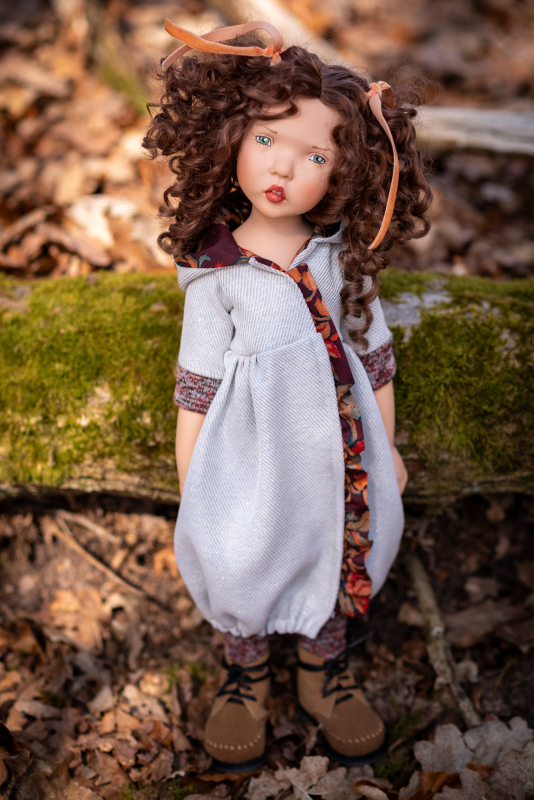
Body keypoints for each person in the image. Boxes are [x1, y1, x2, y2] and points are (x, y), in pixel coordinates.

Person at [143, 20, 432, 772]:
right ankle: (245, 677)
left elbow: (374, 359)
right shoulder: (217, 273)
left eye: (314, 156)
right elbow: (197, 385)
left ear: (342, 174)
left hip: (340, 455)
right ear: (231, 138)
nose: (282, 167)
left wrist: (389, 448)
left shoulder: (341, 260)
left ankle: (322, 671)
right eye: (267, 139)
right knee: (240, 554)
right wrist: (192, 477)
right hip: (249, 457)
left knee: (334, 548)